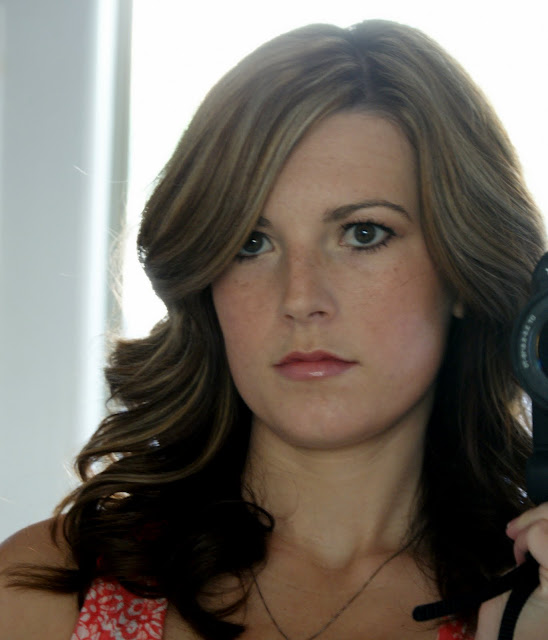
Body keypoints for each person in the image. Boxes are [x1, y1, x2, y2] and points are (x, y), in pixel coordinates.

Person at [1, 18, 547, 640]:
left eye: (363, 233)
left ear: (461, 270)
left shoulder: (533, 593)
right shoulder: (46, 594)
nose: (300, 298)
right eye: (252, 243)